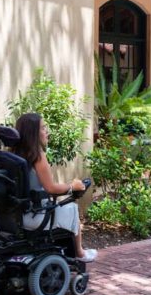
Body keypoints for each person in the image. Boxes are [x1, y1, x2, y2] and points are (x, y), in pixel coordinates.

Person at [13, 112, 97, 263]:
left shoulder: (12, 154)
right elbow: (51, 188)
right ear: (33, 132)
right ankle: (79, 252)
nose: (47, 131)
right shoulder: (37, 156)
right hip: (35, 217)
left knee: (64, 205)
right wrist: (73, 186)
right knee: (72, 207)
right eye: (43, 128)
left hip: (16, 216)